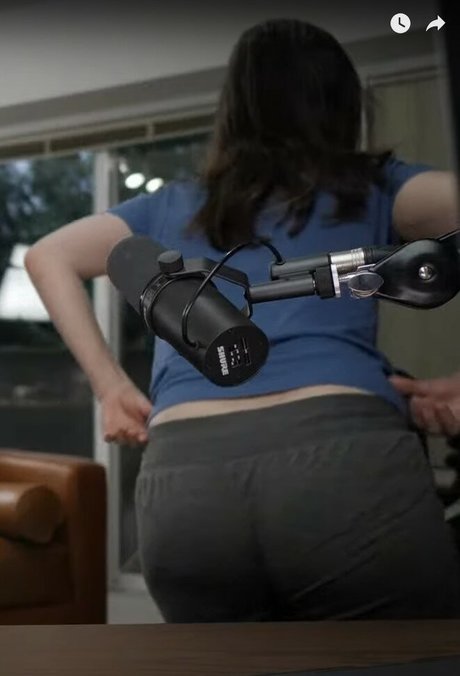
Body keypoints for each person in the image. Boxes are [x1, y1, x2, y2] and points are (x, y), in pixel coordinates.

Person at [25, 19, 460, 622]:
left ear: (234, 109)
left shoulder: (173, 206)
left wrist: (112, 389)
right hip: (340, 463)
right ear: (342, 105)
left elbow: (47, 256)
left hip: (185, 484)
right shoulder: (371, 188)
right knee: (407, 658)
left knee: (232, 662)